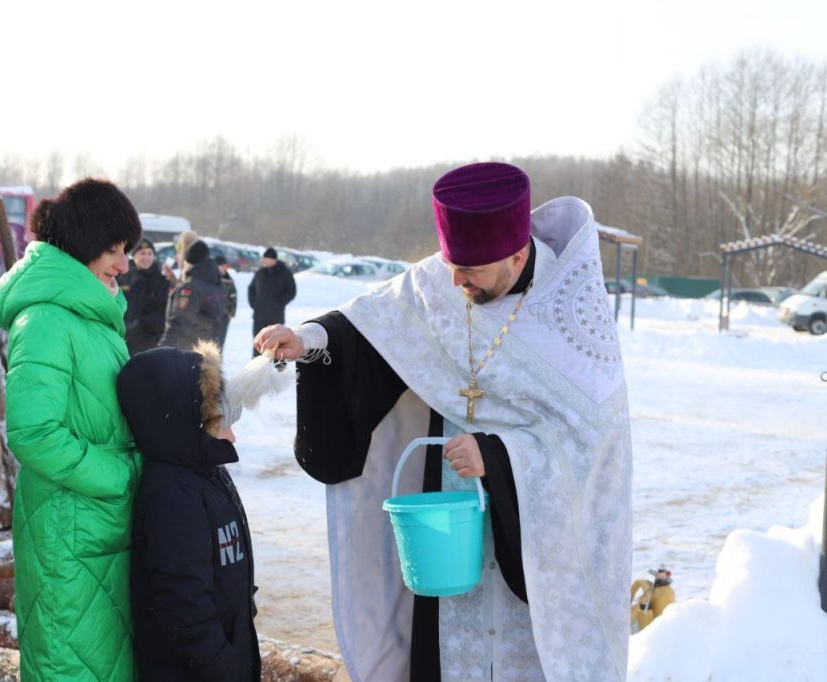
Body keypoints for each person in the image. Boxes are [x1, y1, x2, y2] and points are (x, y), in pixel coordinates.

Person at [255, 162, 632, 681]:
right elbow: (369, 328)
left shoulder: (573, 312)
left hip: (535, 546)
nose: (453, 280)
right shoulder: (442, 279)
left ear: (516, 255)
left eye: (469, 271)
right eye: (451, 264)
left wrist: (497, 455)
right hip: (446, 519)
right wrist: (310, 340)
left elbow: (594, 444)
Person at [0, 178, 143, 681]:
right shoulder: (47, 320)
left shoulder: (91, 317)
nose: (124, 264)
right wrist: (123, 477)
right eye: (114, 249)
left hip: (100, 525)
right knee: (71, 666)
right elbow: (35, 433)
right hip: (69, 530)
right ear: (82, 243)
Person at [117, 340, 259, 682]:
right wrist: (224, 667)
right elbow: (183, 605)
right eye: (220, 424)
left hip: (224, 655)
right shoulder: (174, 495)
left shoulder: (206, 472)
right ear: (183, 422)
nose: (233, 438)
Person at [158, 240, 227, 351]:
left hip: (188, 349)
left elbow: (179, 323)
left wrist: (161, 350)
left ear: (188, 262)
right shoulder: (215, 282)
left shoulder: (190, 288)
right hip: (207, 348)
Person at [122, 238, 170, 354]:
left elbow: (164, 313)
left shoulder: (161, 281)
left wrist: (140, 324)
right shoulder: (123, 276)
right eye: (142, 253)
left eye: (150, 254)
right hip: (123, 337)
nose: (146, 257)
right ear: (134, 255)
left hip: (149, 341)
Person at [247, 247, 296, 357]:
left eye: (265, 258)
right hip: (259, 316)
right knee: (258, 343)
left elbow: (291, 291)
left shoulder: (284, 273)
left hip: (275, 317)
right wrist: (254, 304)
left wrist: (279, 303)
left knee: (277, 345)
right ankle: (257, 365)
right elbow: (251, 289)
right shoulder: (260, 272)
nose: (263, 260)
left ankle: (279, 366)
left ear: (273, 259)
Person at [214, 254, 238, 350]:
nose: (224, 268)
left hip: (224, 316)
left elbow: (233, 296)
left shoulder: (228, 280)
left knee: (220, 341)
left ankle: (217, 358)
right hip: (211, 315)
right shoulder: (210, 278)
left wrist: (231, 312)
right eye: (222, 266)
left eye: (225, 266)